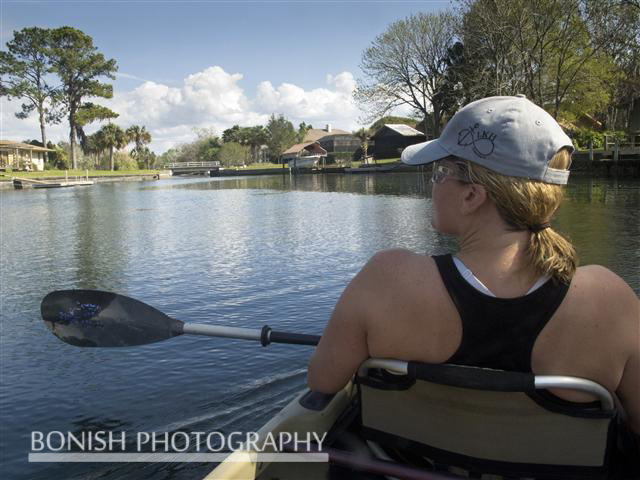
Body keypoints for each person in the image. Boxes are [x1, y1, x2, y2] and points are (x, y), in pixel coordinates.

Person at [306, 95, 639, 440]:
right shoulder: (610, 301)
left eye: (439, 173)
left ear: (471, 197)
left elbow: (322, 379)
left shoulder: (387, 278)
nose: (432, 185)